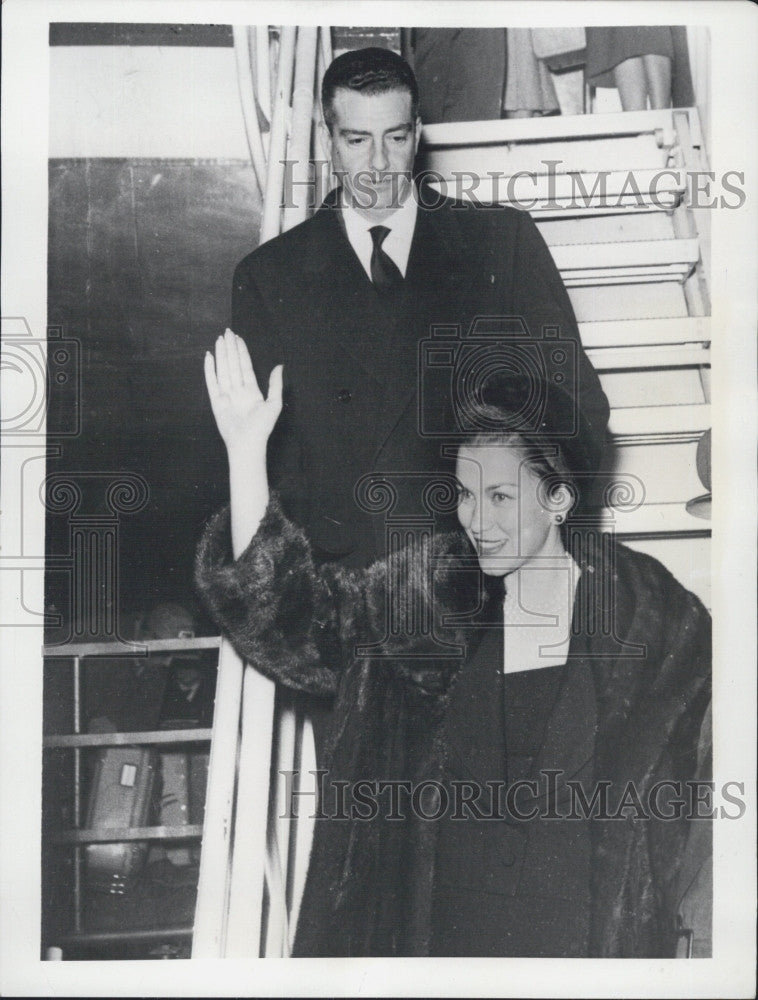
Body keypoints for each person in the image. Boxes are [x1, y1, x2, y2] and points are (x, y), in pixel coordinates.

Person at [195, 332, 711, 957]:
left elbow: (703, 796)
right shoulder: (430, 593)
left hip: (583, 957)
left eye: (499, 496)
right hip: (441, 949)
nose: (476, 520)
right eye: (466, 495)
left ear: (559, 498)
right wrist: (245, 453)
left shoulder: (652, 616)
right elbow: (291, 617)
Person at [231, 46, 609, 571]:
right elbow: (267, 464)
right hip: (348, 596)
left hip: (483, 582)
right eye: (357, 140)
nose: (379, 164)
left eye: (396, 137)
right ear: (328, 139)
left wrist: (527, 544)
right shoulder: (269, 276)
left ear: (418, 131)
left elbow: (578, 411)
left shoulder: (501, 242)